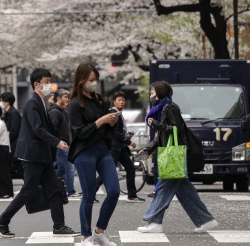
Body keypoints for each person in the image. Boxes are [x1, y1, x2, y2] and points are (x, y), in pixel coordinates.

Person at [0, 68, 79, 238]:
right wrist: (58, 142)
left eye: (49, 80)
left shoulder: (43, 101)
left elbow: (46, 128)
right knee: (29, 190)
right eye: (46, 81)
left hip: (42, 155)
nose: (49, 85)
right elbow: (37, 129)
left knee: (54, 190)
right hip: (32, 155)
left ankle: (59, 227)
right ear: (36, 84)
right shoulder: (33, 102)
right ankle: (2, 220)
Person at [137, 81, 218, 234]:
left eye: (153, 92)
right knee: (184, 190)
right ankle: (205, 220)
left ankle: (155, 222)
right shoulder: (161, 109)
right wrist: (147, 150)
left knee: (163, 187)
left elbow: (176, 129)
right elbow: (160, 136)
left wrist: (156, 124)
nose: (151, 94)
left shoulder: (170, 108)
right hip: (170, 155)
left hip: (172, 156)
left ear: (160, 92)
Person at [68, 63, 120, 246]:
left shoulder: (99, 100)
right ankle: (85, 237)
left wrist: (111, 121)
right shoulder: (74, 104)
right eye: (90, 80)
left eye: (96, 79)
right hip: (84, 152)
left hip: (103, 149)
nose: (94, 83)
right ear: (81, 80)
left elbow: (104, 126)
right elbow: (79, 132)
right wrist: (100, 121)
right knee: (89, 195)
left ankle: (99, 231)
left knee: (114, 191)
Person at [96, 91, 144, 203]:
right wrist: (128, 141)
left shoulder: (119, 114)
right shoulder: (113, 113)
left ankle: (132, 195)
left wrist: (126, 137)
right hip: (115, 148)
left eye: (123, 100)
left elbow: (118, 132)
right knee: (107, 171)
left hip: (120, 148)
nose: (121, 102)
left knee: (131, 169)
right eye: (119, 100)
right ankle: (91, 193)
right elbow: (115, 133)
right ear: (114, 102)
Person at [48, 89, 77, 197]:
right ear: (58, 98)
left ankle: (45, 181)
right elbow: (51, 130)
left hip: (64, 144)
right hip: (61, 145)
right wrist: (57, 143)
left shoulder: (63, 111)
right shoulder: (55, 112)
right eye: (65, 97)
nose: (67, 100)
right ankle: (71, 191)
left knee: (62, 170)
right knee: (69, 169)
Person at [0, 92, 23, 178]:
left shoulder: (13, 113)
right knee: (9, 168)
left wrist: (4, 137)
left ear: (7, 102)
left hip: (14, 145)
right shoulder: (8, 113)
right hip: (10, 145)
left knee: (20, 167)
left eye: (1, 100)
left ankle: (32, 188)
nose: (0, 102)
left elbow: (14, 130)